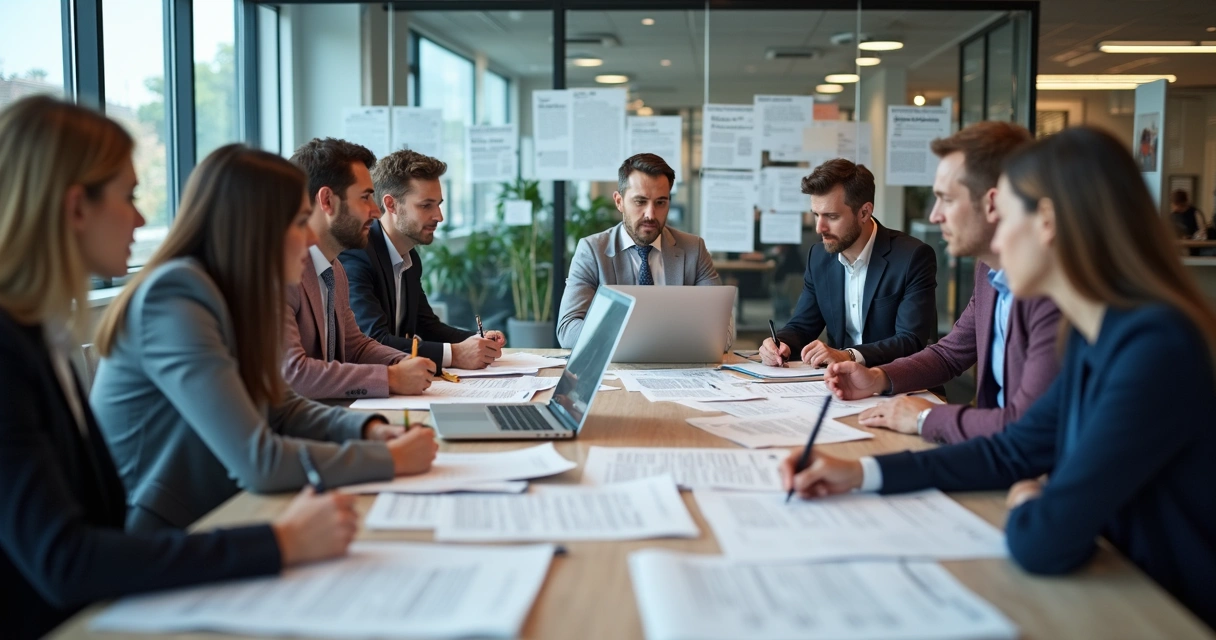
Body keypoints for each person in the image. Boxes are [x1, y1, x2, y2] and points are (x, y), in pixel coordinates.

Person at [782, 126, 1216, 629]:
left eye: (1005, 215)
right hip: (1111, 579)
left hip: (1163, 607)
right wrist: (859, 475)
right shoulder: (1097, 334)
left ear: (1047, 222)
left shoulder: (1152, 347)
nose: (998, 243)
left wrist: (1032, 495)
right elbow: (1015, 449)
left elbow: (1042, 537)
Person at [0, 96, 358, 640]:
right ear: (76, 207)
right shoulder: (11, 349)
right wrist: (280, 542)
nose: (142, 218)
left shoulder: (42, 334)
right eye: (129, 196)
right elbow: (65, 559)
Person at [91, 144, 438, 532]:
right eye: (298, 222)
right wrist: (389, 460)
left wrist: (369, 430)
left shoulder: (230, 291)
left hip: (222, 508)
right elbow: (260, 461)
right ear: (254, 227)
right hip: (169, 532)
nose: (309, 241)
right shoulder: (176, 296)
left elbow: (281, 405)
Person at [824, 122, 1061, 443]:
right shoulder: (988, 272)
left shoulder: (1052, 292)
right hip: (995, 454)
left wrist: (924, 416)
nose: (934, 216)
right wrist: (877, 377)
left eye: (946, 199)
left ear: (993, 203)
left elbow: (1027, 427)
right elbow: (951, 353)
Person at [283, 138, 435, 400]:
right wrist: (391, 378)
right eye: (365, 197)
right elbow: (293, 374)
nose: (376, 212)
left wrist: (406, 362)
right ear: (327, 200)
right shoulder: (279, 272)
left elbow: (356, 347)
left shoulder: (335, 270)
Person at [340, 148, 505, 373]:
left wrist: (477, 340)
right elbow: (374, 341)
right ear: (391, 205)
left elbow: (426, 326)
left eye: (438, 204)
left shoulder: (409, 258)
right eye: (426, 205)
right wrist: (455, 354)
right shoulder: (358, 255)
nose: (439, 216)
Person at [761, 159, 937, 368]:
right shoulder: (819, 256)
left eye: (831, 216)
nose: (819, 228)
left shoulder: (912, 257)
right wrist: (780, 344)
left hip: (897, 383)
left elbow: (910, 340)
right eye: (816, 215)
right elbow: (802, 326)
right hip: (841, 383)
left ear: (864, 212)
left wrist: (848, 356)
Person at [557, 153, 730, 348]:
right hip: (617, 371)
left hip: (677, 368)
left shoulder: (693, 250)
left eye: (660, 202)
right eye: (640, 202)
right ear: (619, 201)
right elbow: (568, 329)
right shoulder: (592, 251)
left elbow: (723, 330)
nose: (650, 214)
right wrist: (637, 341)